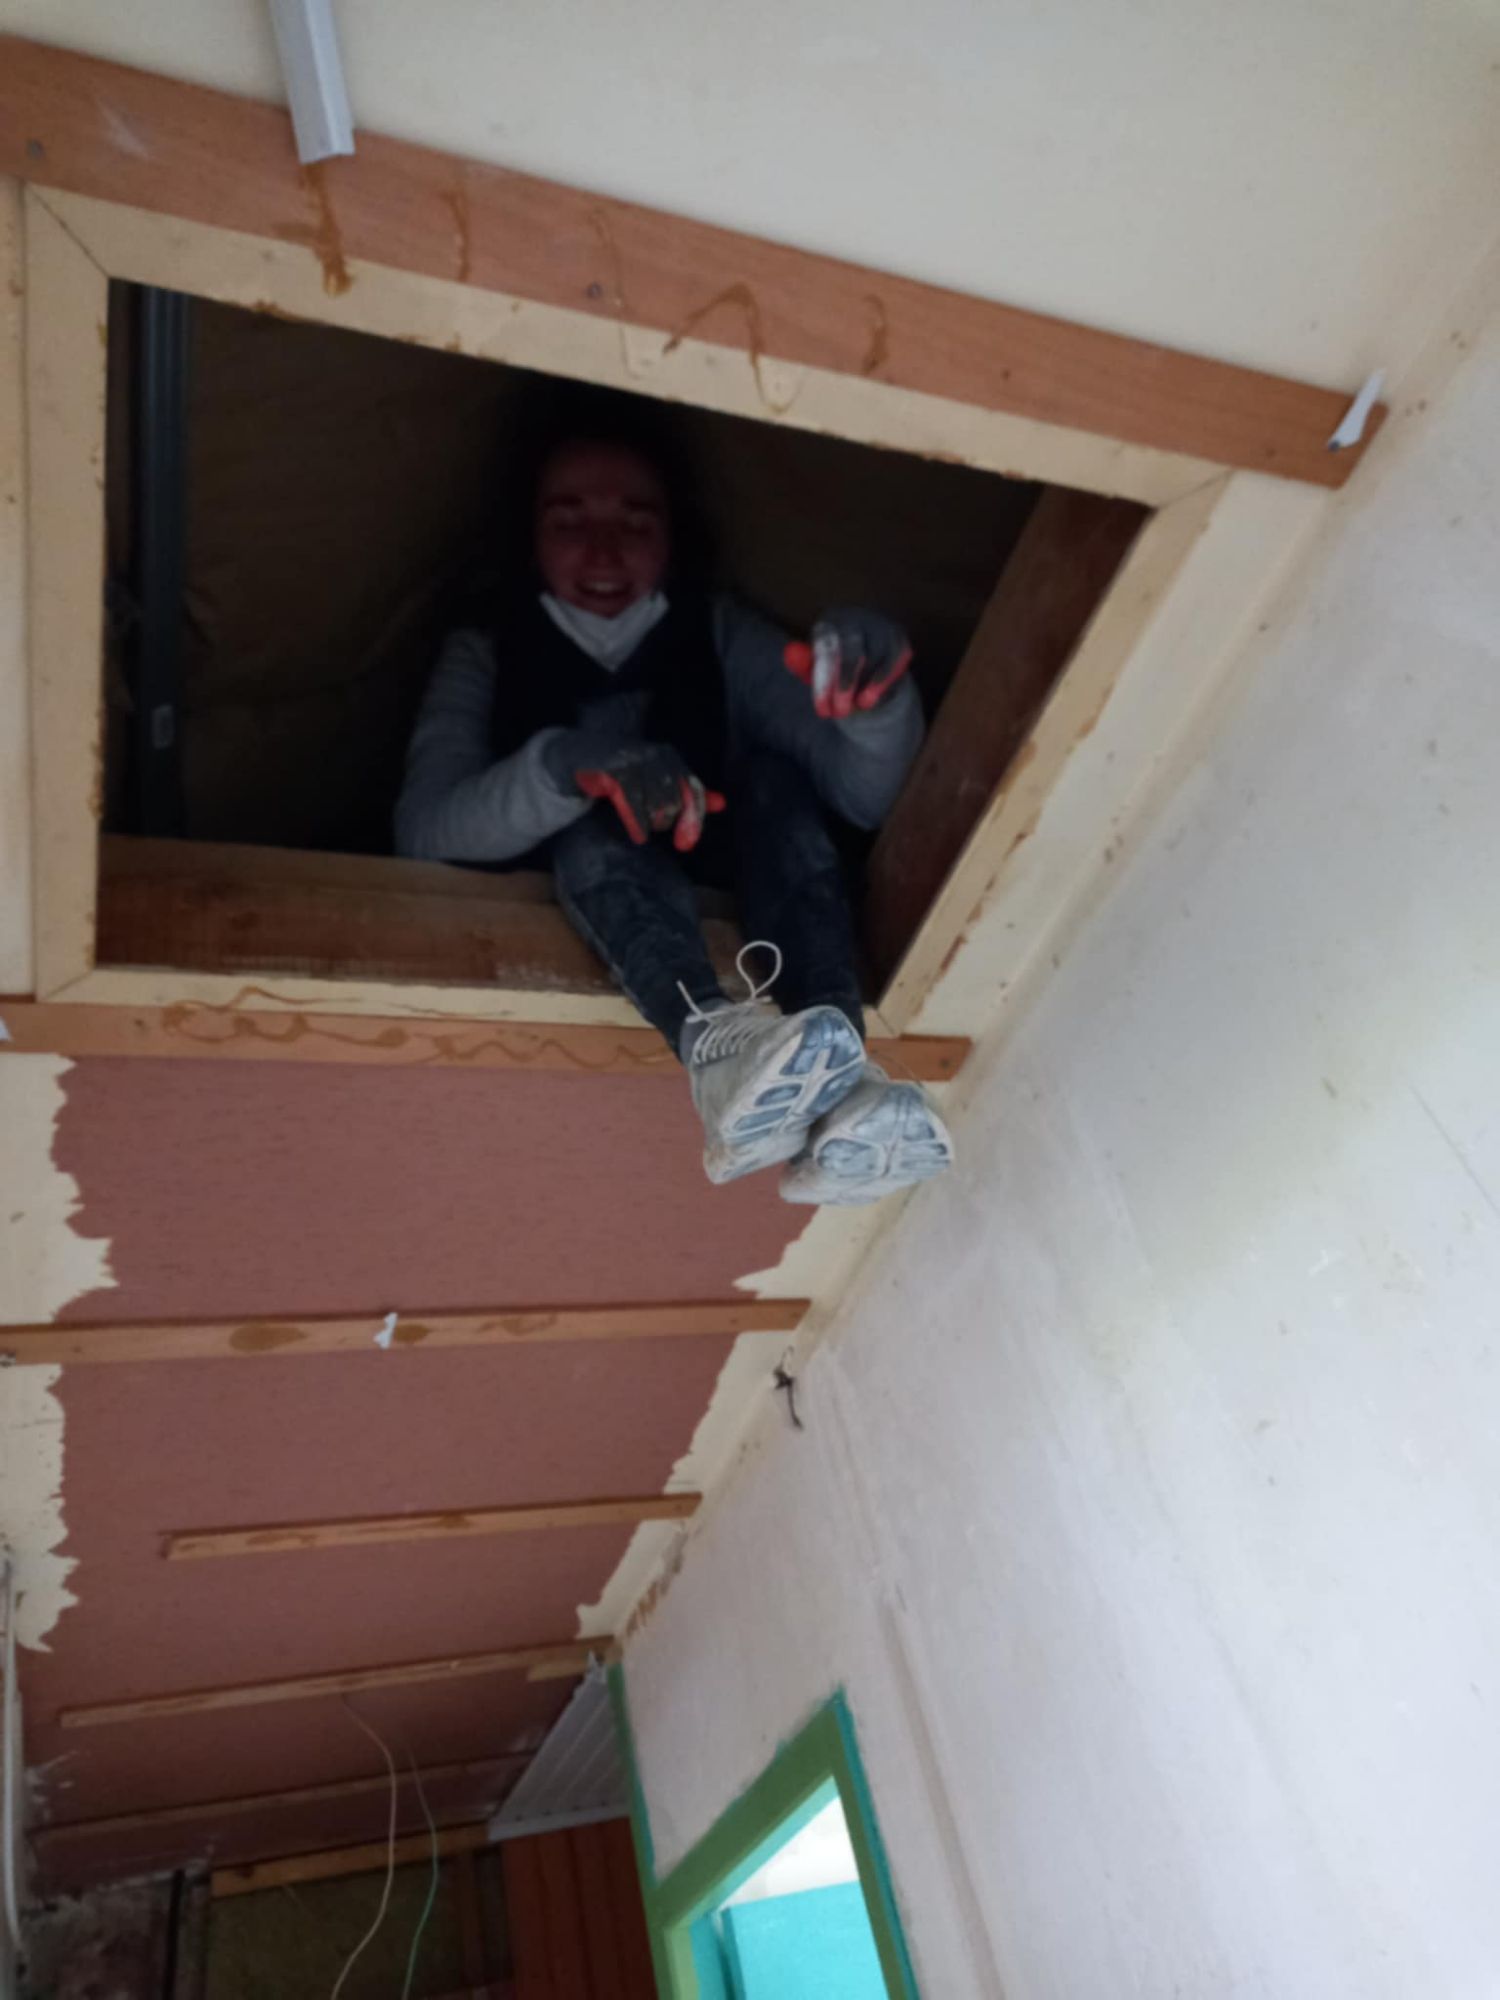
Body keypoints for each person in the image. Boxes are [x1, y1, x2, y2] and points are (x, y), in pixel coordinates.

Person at [395, 418, 952, 1204]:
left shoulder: (713, 630)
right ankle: (715, 1048)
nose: (603, 552)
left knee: (776, 781)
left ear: (675, 533)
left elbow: (866, 798)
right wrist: (567, 764)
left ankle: (844, 1082)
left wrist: (877, 705)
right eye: (568, 522)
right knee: (595, 822)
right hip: (599, 885)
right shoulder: (486, 648)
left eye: (635, 522)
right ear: (526, 536)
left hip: (732, 868)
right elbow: (423, 831)